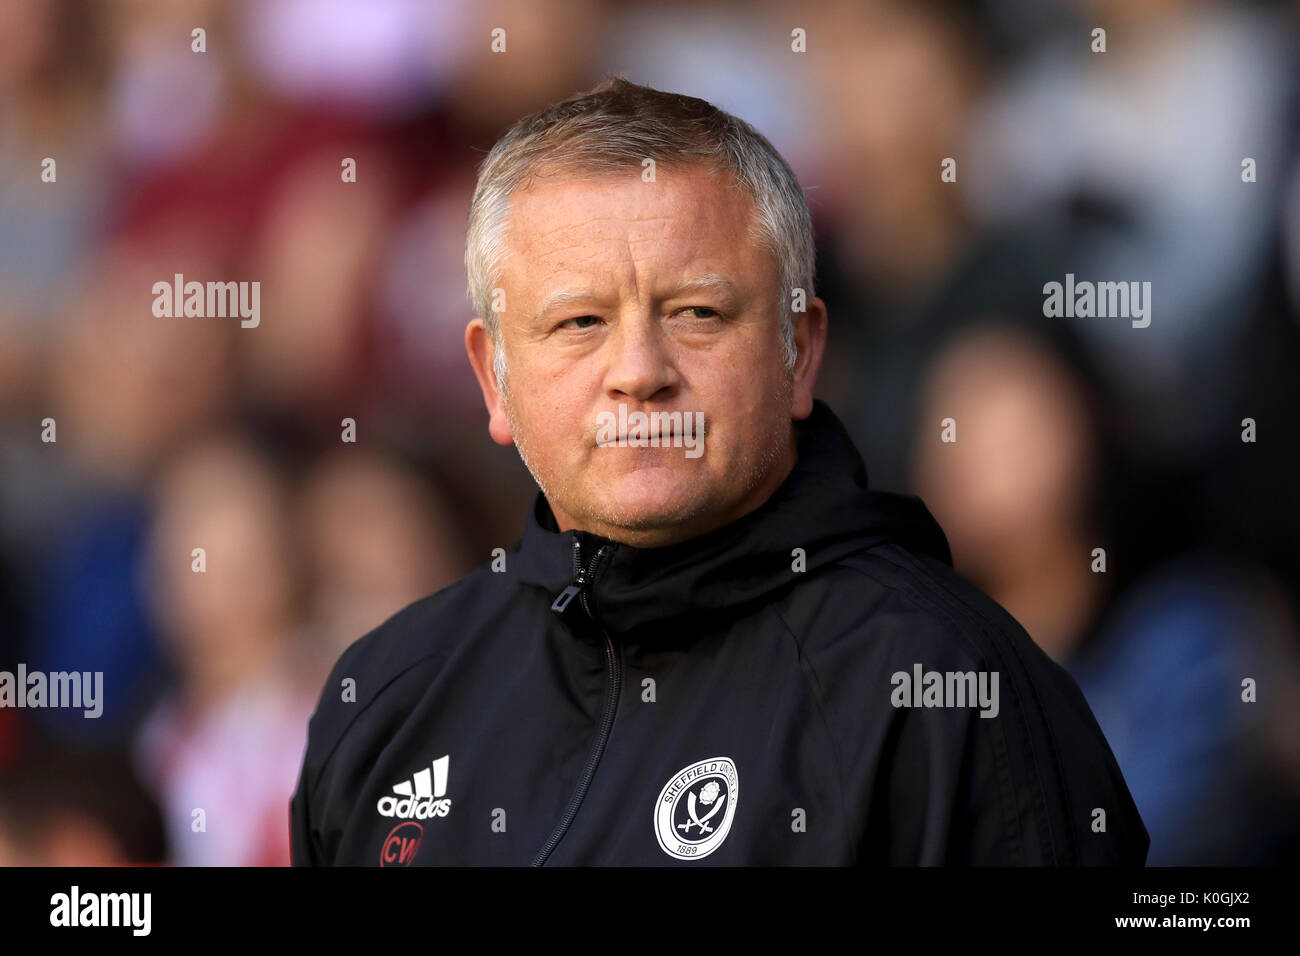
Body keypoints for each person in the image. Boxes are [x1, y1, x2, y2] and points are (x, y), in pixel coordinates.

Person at [289, 76, 1148, 866]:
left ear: (799, 352)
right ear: (494, 379)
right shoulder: (390, 701)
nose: (639, 369)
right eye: (581, 321)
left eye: (697, 312)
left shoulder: (943, 689)